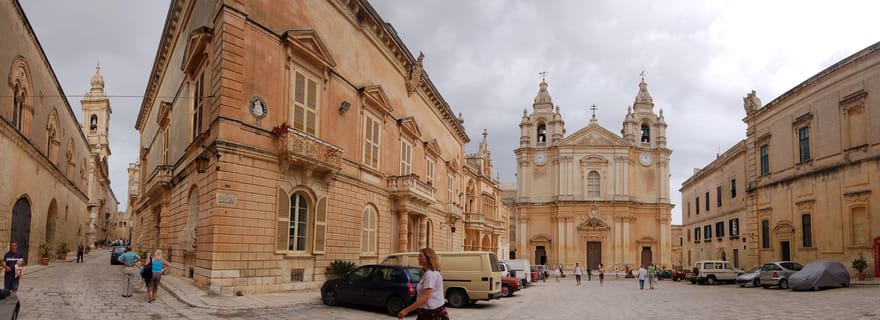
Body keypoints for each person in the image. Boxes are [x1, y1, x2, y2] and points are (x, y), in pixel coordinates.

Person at [397, 248, 448, 320]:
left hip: (431, 313)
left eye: (421, 256)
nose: (418, 258)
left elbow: (425, 297)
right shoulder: (432, 272)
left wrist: (406, 311)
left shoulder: (430, 274)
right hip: (433, 310)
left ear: (428, 258)